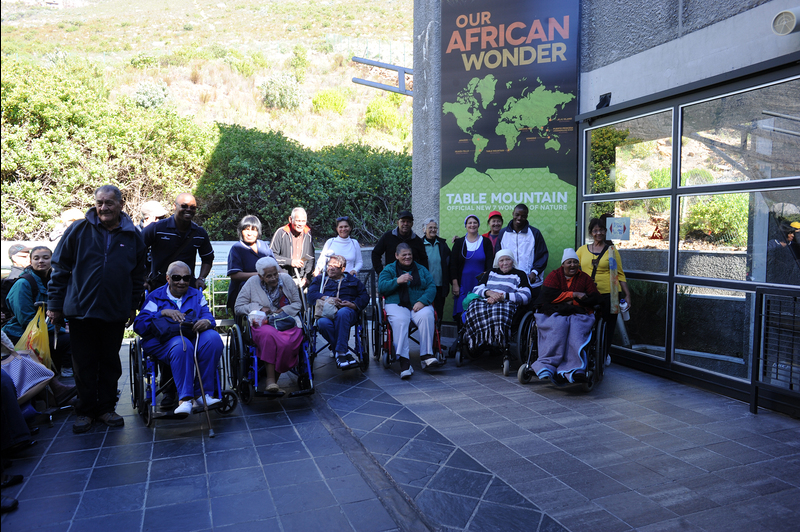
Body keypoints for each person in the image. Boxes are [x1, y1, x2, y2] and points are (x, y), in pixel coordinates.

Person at [47, 184, 147, 434]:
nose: (103, 208)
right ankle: (84, 411)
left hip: (114, 311)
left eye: (109, 203)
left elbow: (138, 276)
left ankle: (106, 408)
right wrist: (55, 305)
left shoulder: (133, 235)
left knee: (110, 362)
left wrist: (132, 306)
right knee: (83, 363)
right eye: (99, 203)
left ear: (120, 205)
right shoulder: (78, 230)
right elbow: (59, 269)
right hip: (80, 310)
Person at [134, 261, 223, 416]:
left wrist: (206, 322)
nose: (181, 282)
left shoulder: (196, 295)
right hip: (161, 341)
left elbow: (208, 316)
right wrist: (162, 313)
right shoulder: (156, 297)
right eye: (176, 277)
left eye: (186, 278)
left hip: (190, 335)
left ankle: (202, 394)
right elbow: (139, 325)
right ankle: (185, 399)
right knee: (182, 345)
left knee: (213, 339)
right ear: (168, 278)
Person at [235, 257, 303, 393]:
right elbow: (238, 307)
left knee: (288, 342)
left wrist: (283, 310)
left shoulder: (287, 279)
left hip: (286, 320)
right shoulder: (251, 282)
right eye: (268, 276)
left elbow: (297, 303)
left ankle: (274, 380)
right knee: (268, 335)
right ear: (260, 276)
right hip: (264, 322)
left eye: (275, 274)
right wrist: (258, 308)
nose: (273, 278)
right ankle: (270, 380)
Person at [2, 246, 73, 377]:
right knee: (69, 340)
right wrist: (62, 330)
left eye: (46, 258)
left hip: (46, 331)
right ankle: (66, 376)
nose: (41, 261)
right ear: (31, 261)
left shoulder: (55, 282)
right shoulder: (23, 284)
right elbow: (26, 320)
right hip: (21, 333)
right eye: (36, 258)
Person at [533, 249, 601, 383]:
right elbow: (547, 297)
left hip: (578, 312)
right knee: (558, 326)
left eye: (575, 262)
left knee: (575, 328)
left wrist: (571, 301)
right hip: (554, 311)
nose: (572, 265)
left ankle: (574, 367)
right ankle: (547, 364)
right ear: (563, 264)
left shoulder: (584, 278)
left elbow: (594, 297)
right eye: (569, 262)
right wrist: (573, 295)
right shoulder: (554, 275)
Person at [378, 243, 439, 379]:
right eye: (404, 255)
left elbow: (431, 287)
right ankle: (404, 361)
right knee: (400, 320)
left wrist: (422, 301)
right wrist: (397, 281)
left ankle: (426, 355)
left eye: (409, 254)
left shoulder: (421, 269)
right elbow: (381, 287)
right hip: (396, 303)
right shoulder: (389, 269)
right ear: (397, 256)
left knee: (427, 315)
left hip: (418, 304)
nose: (407, 257)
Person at [576, 217, 632, 354]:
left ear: (605, 232)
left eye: (601, 230)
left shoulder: (612, 250)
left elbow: (620, 273)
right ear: (591, 233)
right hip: (588, 293)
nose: (598, 233)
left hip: (609, 294)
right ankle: (585, 353)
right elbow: (572, 268)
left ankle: (604, 354)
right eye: (595, 230)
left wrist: (627, 295)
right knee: (584, 324)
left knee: (608, 326)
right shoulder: (582, 250)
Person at [461, 250, 532, 355]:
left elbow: (526, 296)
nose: (504, 263)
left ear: (512, 261)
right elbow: (476, 289)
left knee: (499, 310)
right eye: (501, 260)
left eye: (508, 259)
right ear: (497, 262)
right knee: (474, 305)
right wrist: (489, 293)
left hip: (506, 303)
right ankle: (480, 338)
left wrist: (502, 297)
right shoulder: (491, 272)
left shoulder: (520, 274)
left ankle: (498, 338)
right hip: (486, 301)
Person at [307, 254, 369, 369]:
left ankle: (339, 352)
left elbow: (365, 296)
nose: (330, 268)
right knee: (322, 323)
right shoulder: (320, 279)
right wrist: (327, 298)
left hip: (347, 312)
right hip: (326, 312)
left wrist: (353, 305)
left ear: (343, 269)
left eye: (335, 266)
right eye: (329, 265)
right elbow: (310, 296)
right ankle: (343, 352)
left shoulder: (352, 280)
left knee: (343, 313)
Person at [142, 192, 214, 291]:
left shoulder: (199, 233)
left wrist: (201, 278)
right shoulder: (156, 228)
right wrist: (143, 278)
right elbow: (136, 252)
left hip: (187, 288)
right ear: (174, 206)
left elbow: (208, 258)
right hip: (158, 287)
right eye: (184, 206)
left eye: (193, 207)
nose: (188, 210)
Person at [494, 204, 549, 294]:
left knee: (531, 307)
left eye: (523, 216)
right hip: (509, 280)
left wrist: (534, 272)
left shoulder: (535, 233)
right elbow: (498, 255)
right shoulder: (503, 233)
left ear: (527, 216)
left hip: (531, 281)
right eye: (517, 215)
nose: (519, 218)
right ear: (513, 214)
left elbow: (542, 255)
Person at [450, 215, 494, 323]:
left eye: (475, 223)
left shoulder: (486, 242)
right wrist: (455, 284)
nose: (472, 225)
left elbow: (490, 263)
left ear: (478, 225)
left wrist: (487, 280)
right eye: (469, 223)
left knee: (479, 312)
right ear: (466, 226)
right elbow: (453, 265)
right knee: (461, 311)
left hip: (480, 284)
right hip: (463, 283)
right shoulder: (459, 243)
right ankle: (461, 338)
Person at [226, 215, 275, 311]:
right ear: (241, 231)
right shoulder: (237, 248)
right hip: (244, 295)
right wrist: (259, 275)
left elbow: (274, 265)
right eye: (246, 230)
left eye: (253, 230)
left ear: (258, 232)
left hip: (265, 292)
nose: (249, 233)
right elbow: (234, 275)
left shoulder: (264, 246)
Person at [270, 207, 315, 287]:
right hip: (282, 277)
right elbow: (271, 256)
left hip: (301, 279)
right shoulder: (281, 232)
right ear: (290, 219)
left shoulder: (308, 233)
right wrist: (290, 262)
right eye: (298, 221)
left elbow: (310, 258)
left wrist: (306, 277)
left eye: (303, 221)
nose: (301, 224)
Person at [421, 218, 451, 325]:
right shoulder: (419, 245)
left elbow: (450, 263)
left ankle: (437, 339)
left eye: (435, 227)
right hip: (425, 287)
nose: (433, 230)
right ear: (424, 229)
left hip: (440, 286)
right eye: (430, 227)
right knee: (426, 314)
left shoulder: (442, 244)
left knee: (439, 314)